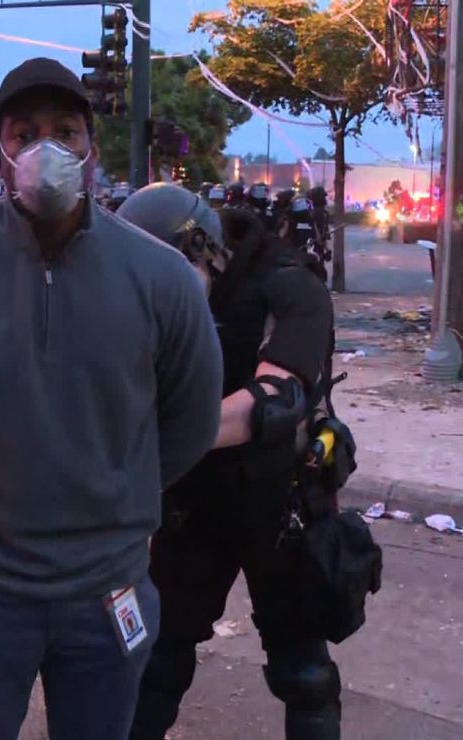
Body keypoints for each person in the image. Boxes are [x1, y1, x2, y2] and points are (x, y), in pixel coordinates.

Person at [0, 57, 223, 740]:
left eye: (65, 131)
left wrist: (115, 495)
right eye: (24, 134)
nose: (45, 149)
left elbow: (190, 421)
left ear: (91, 149)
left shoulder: (161, 280)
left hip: (106, 595)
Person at [117, 187, 345, 740]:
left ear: (202, 249)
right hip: (194, 502)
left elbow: (275, 402)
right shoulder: (146, 293)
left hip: (277, 501)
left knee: (304, 674)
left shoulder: (288, 284)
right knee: (156, 663)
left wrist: (144, 442)